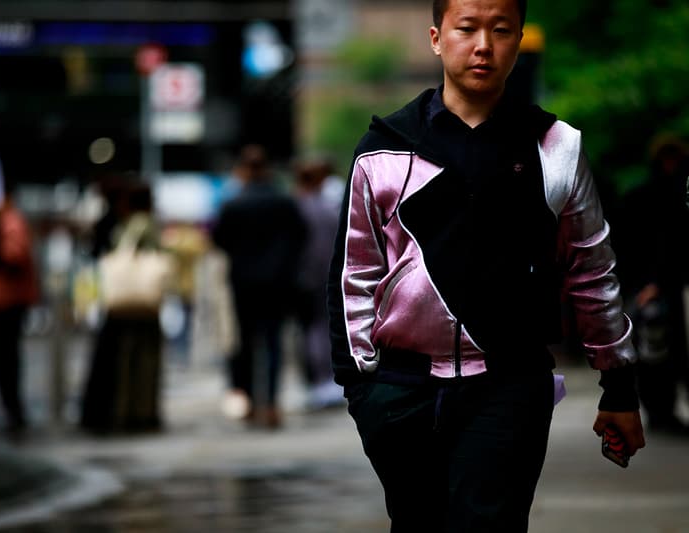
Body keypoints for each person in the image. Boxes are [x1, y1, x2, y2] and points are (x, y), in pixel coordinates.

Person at [326, 0, 646, 531]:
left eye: (500, 30)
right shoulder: (385, 150)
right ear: (436, 38)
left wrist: (619, 386)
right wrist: (363, 390)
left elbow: (592, 271)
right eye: (467, 28)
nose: (483, 45)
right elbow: (353, 276)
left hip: (509, 386)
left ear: (518, 40)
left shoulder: (556, 148)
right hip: (401, 391)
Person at [212, 144, 307, 428]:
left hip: (243, 283)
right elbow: (300, 237)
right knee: (274, 342)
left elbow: (219, 241)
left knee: (246, 344)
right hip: (277, 283)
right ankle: (272, 403)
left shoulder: (233, 204)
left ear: (242, 169)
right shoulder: (284, 201)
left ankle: (251, 402)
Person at [615, 135, 689, 435]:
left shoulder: (649, 195)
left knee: (659, 354)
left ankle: (662, 412)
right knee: (655, 353)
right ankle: (660, 413)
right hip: (653, 287)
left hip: (657, 285)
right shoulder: (652, 197)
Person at [81, 181, 167, 433]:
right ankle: (138, 413)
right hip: (140, 304)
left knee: (129, 361)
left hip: (126, 303)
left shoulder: (133, 225)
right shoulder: (145, 223)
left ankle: (128, 412)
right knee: (141, 361)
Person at [0, 182, 40, 434]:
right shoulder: (8, 220)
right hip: (7, 299)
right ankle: (11, 410)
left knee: (6, 358)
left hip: (9, 300)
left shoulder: (10, 221)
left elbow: (14, 255)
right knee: (5, 359)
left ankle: (13, 412)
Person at [293, 156, 343, 409]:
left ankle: (319, 381)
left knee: (312, 331)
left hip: (306, 278)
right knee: (325, 329)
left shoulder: (297, 208)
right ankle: (326, 381)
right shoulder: (328, 208)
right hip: (328, 276)